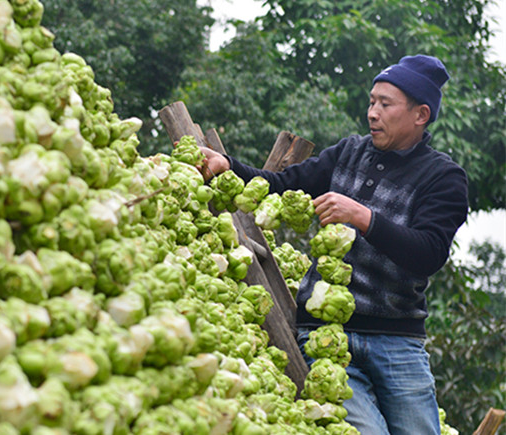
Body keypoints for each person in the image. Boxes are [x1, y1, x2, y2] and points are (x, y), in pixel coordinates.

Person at [199, 55, 469, 435]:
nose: (372, 113)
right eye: (372, 101)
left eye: (385, 104)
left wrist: (364, 218)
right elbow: (282, 184)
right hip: (326, 332)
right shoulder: (348, 152)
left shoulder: (443, 178)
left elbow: (427, 254)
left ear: (420, 114)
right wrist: (230, 166)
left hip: (397, 337)